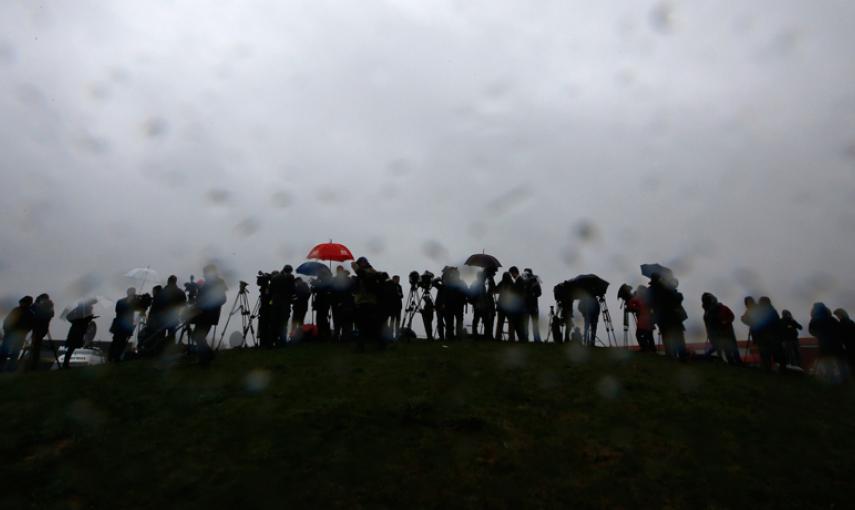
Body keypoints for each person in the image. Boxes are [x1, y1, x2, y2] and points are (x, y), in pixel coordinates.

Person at [190, 264, 227, 364]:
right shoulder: (206, 284)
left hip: (208, 314)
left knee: (198, 336)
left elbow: (222, 299)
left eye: (205, 272)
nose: (204, 275)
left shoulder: (217, 283)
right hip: (201, 314)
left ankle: (205, 359)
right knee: (196, 336)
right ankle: (208, 356)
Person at [648, 274, 687, 359]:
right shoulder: (667, 289)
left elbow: (650, 303)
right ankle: (682, 356)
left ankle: (671, 356)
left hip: (662, 319)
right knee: (678, 338)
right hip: (674, 317)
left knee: (666, 337)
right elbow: (678, 299)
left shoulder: (651, 290)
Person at [351, 257, 385, 350]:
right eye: (361, 262)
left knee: (373, 325)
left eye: (364, 262)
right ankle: (362, 345)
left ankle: (379, 344)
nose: (363, 263)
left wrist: (356, 266)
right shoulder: (366, 273)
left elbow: (362, 274)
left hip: (370, 302)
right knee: (362, 325)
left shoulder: (370, 272)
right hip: (362, 302)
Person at [809, 302, 847, 382]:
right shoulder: (832, 319)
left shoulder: (814, 320)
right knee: (839, 361)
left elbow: (811, 331)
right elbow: (839, 330)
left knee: (828, 363)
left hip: (824, 345)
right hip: (836, 344)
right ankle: (844, 378)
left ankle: (830, 378)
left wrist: (819, 335)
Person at [701, 293, 742, 365]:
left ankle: (737, 362)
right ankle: (732, 363)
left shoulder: (721, 308)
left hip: (727, 333)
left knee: (732, 349)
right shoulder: (707, 313)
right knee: (727, 349)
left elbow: (731, 316)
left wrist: (726, 321)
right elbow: (708, 326)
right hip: (721, 334)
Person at [1, 296, 35, 372]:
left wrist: (6, 330)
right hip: (17, 335)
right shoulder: (30, 313)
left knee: (7, 353)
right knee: (12, 353)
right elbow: (30, 326)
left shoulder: (17, 310)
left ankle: (6, 368)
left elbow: (7, 321)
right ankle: (9, 368)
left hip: (13, 335)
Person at [63, 298, 97, 369]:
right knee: (72, 346)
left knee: (72, 346)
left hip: (78, 329)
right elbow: (73, 317)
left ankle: (66, 363)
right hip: (78, 329)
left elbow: (69, 316)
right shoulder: (84, 309)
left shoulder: (81, 308)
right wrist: (86, 319)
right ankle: (65, 364)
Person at [754, 296, 785, 371]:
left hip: (767, 335)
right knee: (775, 353)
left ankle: (768, 368)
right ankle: (780, 367)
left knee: (767, 353)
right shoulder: (772, 310)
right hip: (771, 335)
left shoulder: (763, 311)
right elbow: (777, 323)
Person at [109, 288, 138, 362]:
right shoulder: (132, 302)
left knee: (116, 341)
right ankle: (115, 357)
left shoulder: (120, 301)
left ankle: (112, 357)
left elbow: (117, 310)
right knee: (120, 342)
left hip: (120, 324)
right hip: (123, 325)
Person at [269, 265, 295, 345]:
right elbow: (291, 290)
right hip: (284, 303)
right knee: (283, 322)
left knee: (274, 322)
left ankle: (273, 340)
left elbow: (271, 290)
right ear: (289, 271)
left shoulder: (274, 278)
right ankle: (282, 341)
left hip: (275, 302)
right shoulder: (290, 278)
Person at [28, 293, 54, 371]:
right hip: (43, 329)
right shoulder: (49, 307)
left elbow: (32, 310)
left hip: (37, 328)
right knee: (36, 347)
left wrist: (35, 304)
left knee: (35, 347)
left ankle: (33, 365)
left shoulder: (38, 307)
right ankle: (33, 364)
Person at [626, 286, 655, 352]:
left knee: (639, 334)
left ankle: (645, 348)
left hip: (643, 320)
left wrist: (630, 300)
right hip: (649, 320)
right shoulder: (647, 298)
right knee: (649, 335)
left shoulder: (639, 298)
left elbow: (632, 305)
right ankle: (652, 349)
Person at [161, 275, 187, 347]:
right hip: (174, 315)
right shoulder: (180, 292)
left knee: (161, 333)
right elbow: (184, 304)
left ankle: (160, 348)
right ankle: (169, 348)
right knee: (171, 333)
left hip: (163, 315)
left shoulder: (164, 291)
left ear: (168, 281)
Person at [441, 267, 466, 340]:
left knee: (451, 322)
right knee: (457, 321)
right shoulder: (461, 282)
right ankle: (457, 336)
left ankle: (450, 336)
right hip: (457, 305)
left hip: (451, 304)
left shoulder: (449, 283)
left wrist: (444, 303)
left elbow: (445, 293)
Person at [332, 266, 355, 342]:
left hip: (345, 303)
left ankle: (344, 337)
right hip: (338, 303)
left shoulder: (347, 280)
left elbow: (349, 291)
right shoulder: (335, 280)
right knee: (338, 321)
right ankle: (338, 336)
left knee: (344, 320)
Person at [522, 268, 542, 342]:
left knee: (526, 324)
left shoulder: (523, 281)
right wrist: (533, 294)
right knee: (534, 324)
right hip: (534, 306)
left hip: (527, 306)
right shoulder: (535, 281)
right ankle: (537, 339)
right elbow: (539, 293)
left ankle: (525, 339)